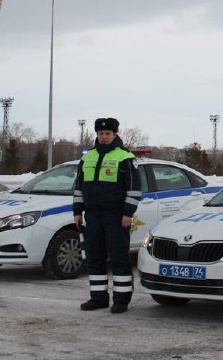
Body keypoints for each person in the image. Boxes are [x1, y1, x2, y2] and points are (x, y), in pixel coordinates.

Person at [73, 117, 141, 314]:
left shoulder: (125, 157)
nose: (104, 137)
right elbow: (78, 188)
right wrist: (77, 211)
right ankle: (98, 298)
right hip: (93, 216)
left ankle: (121, 300)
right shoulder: (87, 158)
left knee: (119, 257)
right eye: (101, 134)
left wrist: (128, 213)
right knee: (94, 257)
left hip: (116, 215)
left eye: (107, 134)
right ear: (97, 135)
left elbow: (134, 189)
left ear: (115, 134)